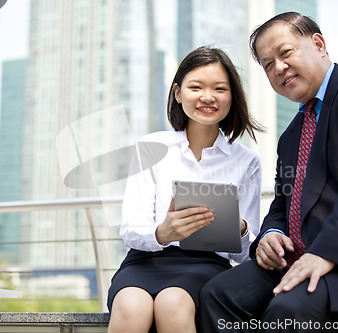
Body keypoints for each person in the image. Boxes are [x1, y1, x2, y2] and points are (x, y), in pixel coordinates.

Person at [199, 12, 338, 332]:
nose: (278, 67)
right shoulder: (291, 134)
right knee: (217, 295)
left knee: (287, 311)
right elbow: (282, 203)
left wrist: (325, 252)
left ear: (318, 44)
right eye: (267, 65)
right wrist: (271, 234)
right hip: (298, 255)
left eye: (285, 53)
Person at [107, 46, 263, 333]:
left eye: (219, 88)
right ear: (178, 93)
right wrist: (162, 233)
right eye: (196, 87)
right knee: (130, 306)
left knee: (173, 303)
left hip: (205, 264)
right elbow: (130, 229)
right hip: (144, 260)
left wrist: (239, 228)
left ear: (232, 97)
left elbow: (248, 254)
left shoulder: (246, 161)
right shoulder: (151, 147)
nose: (207, 96)